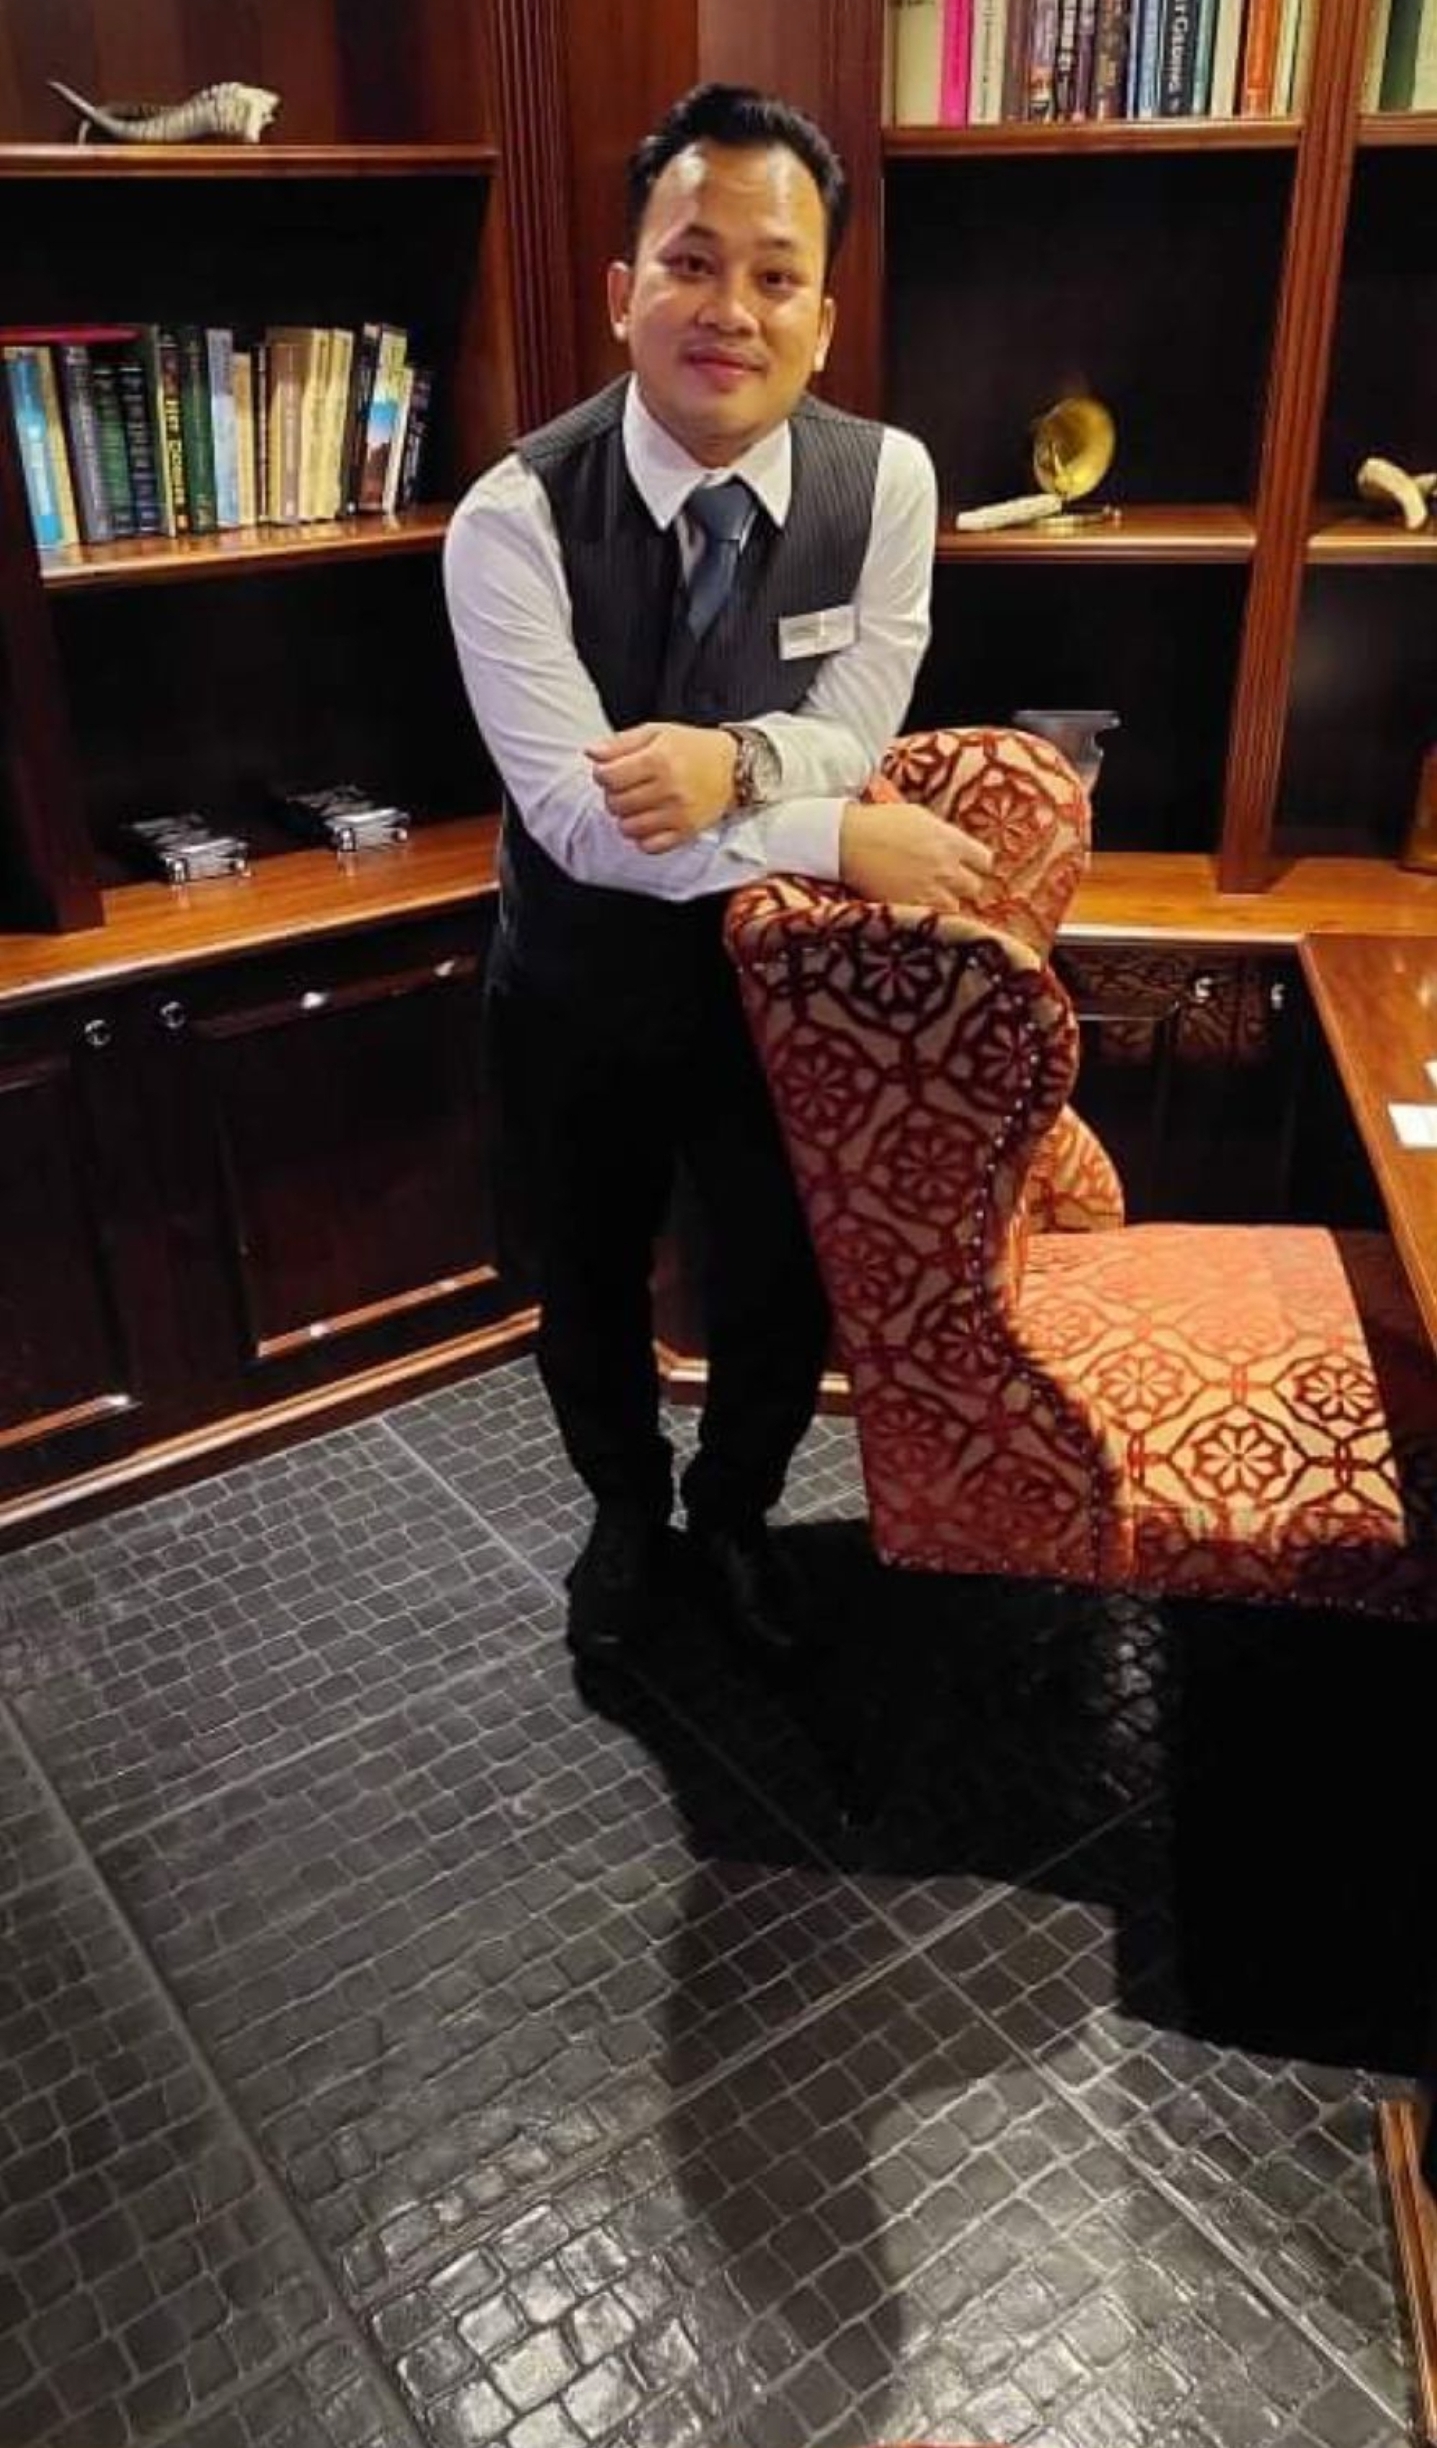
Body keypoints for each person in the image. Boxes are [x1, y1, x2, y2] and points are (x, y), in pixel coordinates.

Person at [443, 81, 993, 1663]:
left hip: (791, 985)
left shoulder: (885, 481)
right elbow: (578, 821)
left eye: (773, 274)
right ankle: (624, 1518)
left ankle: (737, 1510)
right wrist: (832, 830)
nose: (728, 310)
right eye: (691, 263)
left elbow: (854, 726)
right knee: (587, 1278)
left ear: (823, 316)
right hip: (577, 983)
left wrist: (731, 764)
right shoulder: (511, 517)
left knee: (777, 1277)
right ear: (624, 292)